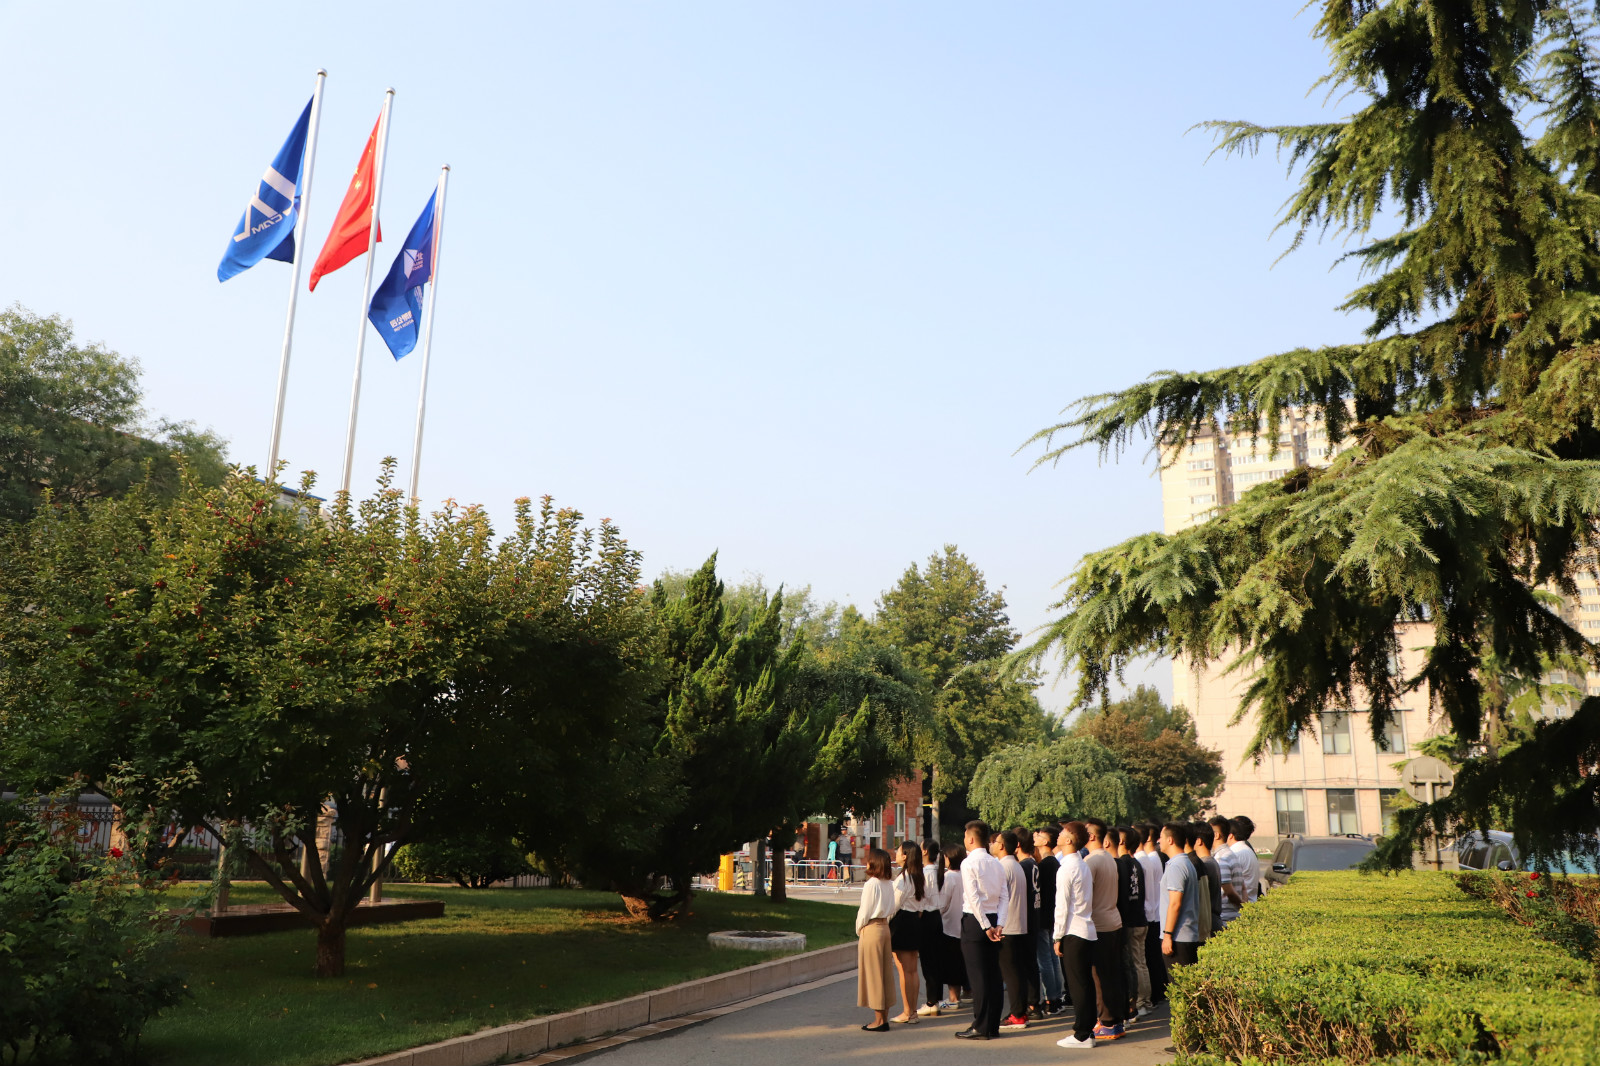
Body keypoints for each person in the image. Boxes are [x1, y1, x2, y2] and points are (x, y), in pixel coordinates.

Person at [956, 821, 1007, 1041]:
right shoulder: (996, 863)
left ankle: (981, 1026)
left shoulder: (969, 863)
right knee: (993, 974)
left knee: (978, 977)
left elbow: (973, 897)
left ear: (970, 838)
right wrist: (999, 923)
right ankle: (992, 1025)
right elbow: (1004, 896)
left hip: (976, 922)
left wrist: (986, 926)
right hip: (994, 918)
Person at [1051, 820, 1098, 1050]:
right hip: (1085, 930)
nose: (1059, 835)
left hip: (1073, 931)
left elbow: (1062, 907)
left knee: (1078, 985)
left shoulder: (1067, 868)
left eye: (1062, 832)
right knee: (1084, 983)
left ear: (1069, 839)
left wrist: (1057, 936)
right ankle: (1086, 1030)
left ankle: (1082, 1034)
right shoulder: (1081, 864)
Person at [1083, 819, 1126, 1040]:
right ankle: (1115, 1021)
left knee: (1099, 976)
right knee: (1111, 974)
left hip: (1099, 924)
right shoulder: (1109, 858)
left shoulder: (1091, 861)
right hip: (1113, 921)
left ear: (1091, 836)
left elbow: (1084, 896)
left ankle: (1107, 1021)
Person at [991, 830, 1032, 1031]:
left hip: (1007, 926)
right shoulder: (1016, 865)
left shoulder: (1002, 866)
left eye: (995, 841)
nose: (992, 844)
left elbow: (996, 897)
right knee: (1018, 972)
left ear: (1001, 845)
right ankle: (1020, 1011)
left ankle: (1017, 1014)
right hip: (1019, 924)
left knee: (1011, 973)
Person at [855, 847, 897, 1031]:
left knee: (874, 974)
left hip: (872, 928)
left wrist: (859, 928)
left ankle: (879, 1020)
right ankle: (884, 1017)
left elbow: (864, 911)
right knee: (885, 973)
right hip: (885, 927)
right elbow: (892, 907)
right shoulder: (889, 883)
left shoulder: (871, 884)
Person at [1115, 826, 1151, 1019]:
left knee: (1135, 964)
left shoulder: (1123, 863)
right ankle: (1144, 1001)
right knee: (1140, 963)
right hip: (1140, 918)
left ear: (1121, 841)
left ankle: (1141, 1002)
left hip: (1131, 921)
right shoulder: (1136, 862)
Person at [890, 842, 925, 1024]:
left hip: (902, 922)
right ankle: (913, 1012)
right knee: (912, 970)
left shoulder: (903, 879)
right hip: (914, 921)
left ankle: (907, 1011)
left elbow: (893, 906)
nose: (896, 853)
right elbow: (922, 905)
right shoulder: (918, 877)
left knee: (904, 970)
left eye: (898, 851)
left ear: (905, 855)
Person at [1031, 825, 1064, 1014]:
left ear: (1046, 841)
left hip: (1044, 916)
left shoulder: (1045, 865)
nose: (1035, 836)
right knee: (1052, 958)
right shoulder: (1054, 863)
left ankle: (1052, 999)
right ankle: (1056, 997)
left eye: (1039, 835)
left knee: (1045, 959)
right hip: (1052, 916)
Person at [1158, 824, 1201, 967]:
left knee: (1178, 979)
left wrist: (1167, 935)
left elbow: (1175, 903)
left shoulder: (1177, 866)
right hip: (1184, 935)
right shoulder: (1184, 862)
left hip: (1178, 937)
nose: (1159, 840)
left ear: (1170, 840)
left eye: (1161, 837)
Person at [1136, 822, 1168, 1006]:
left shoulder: (1147, 860)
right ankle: (1157, 993)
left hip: (1150, 913)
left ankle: (1155, 994)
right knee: (1151, 958)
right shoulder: (1151, 858)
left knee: (1149, 959)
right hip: (1153, 912)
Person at [937, 844, 970, 1011]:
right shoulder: (965, 874)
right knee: (963, 962)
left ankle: (953, 999)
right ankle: (967, 992)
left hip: (949, 926)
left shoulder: (949, 877)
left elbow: (942, 903)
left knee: (952, 964)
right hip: (964, 925)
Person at [916, 841, 947, 1016]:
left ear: (925, 851)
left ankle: (931, 1001)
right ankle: (937, 998)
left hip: (927, 918)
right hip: (937, 917)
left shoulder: (925, 873)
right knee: (937, 960)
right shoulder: (940, 872)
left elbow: (921, 900)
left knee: (928, 962)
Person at [1207, 815, 1244, 926]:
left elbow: (1228, 890)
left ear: (1216, 835)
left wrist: (1242, 906)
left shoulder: (1221, 858)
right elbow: (1242, 887)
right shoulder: (1230, 854)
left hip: (1225, 917)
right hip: (1232, 916)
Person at [1191, 823, 1224, 940]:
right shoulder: (1211, 862)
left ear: (1199, 841)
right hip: (1214, 920)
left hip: (1210, 921)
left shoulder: (1205, 864)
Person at [1227, 815, 1261, 907]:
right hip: (1249, 904)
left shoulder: (1235, 853)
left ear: (1230, 835)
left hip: (1240, 906)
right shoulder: (1247, 850)